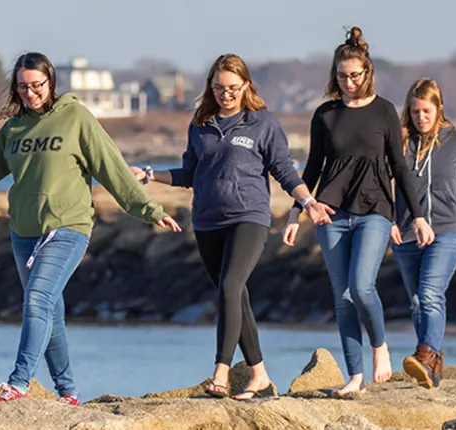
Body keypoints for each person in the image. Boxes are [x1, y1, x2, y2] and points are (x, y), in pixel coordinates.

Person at [0, 52, 182, 406]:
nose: (31, 93)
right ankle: (68, 392)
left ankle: (18, 382)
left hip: (68, 228)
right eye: (23, 87)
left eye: (37, 85)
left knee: (36, 300)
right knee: (50, 313)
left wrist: (147, 209)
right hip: (24, 233)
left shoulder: (76, 118)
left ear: (50, 82)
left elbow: (111, 167)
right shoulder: (14, 129)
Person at [132, 54, 331, 401]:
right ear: (210, 87)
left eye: (234, 88)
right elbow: (189, 175)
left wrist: (307, 202)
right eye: (220, 88)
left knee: (230, 285)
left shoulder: (262, 122)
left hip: (249, 217)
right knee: (235, 296)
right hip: (207, 221)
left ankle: (221, 373)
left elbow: (284, 171)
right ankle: (260, 376)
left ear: (246, 86)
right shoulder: (200, 125)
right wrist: (150, 174)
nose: (227, 95)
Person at [286, 26, 436, 397]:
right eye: (341, 76)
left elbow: (400, 167)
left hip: (375, 210)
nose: (349, 82)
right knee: (343, 298)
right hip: (331, 214)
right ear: (334, 75)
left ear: (367, 73)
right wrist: (296, 212)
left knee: (361, 285)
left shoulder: (384, 111)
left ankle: (379, 346)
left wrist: (417, 215)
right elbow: (312, 167)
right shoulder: (325, 115)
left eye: (355, 75)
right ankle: (355, 377)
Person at [391, 77, 456, 390]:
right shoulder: (399, 142)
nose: (421, 118)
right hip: (406, 232)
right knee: (416, 302)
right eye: (415, 112)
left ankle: (424, 355)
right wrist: (390, 220)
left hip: (446, 229)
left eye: (426, 111)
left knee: (430, 294)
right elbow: (384, 184)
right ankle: (433, 364)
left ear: (439, 108)